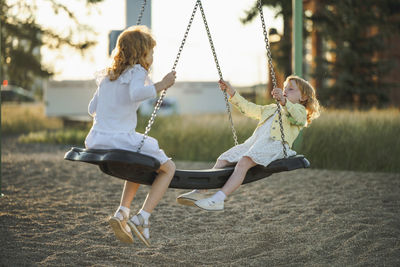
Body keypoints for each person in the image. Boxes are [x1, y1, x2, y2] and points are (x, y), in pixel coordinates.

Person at [85, 25, 176, 246]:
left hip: (96, 140)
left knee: (137, 162)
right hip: (119, 139)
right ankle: (142, 216)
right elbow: (136, 93)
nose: (152, 57)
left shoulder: (108, 76)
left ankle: (122, 212)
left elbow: (91, 108)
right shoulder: (137, 71)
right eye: (151, 52)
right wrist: (162, 84)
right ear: (140, 52)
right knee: (169, 168)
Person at [177, 76, 320, 211]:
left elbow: (298, 118)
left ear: (304, 97)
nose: (285, 91)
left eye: (291, 89)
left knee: (244, 162)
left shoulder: (299, 110)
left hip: (275, 146)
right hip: (255, 144)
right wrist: (231, 92)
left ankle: (218, 199)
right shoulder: (271, 108)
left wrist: (284, 101)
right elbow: (248, 108)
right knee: (224, 158)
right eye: (284, 88)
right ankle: (200, 191)